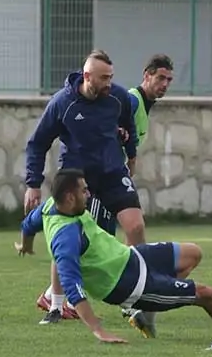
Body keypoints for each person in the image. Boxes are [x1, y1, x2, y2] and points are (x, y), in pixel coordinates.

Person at [16, 168, 212, 343]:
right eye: (83, 191)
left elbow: (28, 224)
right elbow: (72, 286)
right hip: (129, 284)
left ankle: (146, 315)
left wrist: (26, 246)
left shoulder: (52, 206)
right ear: (70, 197)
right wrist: (98, 330)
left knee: (192, 253)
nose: (89, 194)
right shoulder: (66, 237)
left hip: (132, 257)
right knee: (205, 294)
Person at [35, 55, 175, 325]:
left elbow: (124, 130)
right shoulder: (129, 99)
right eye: (160, 78)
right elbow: (44, 140)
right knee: (76, 237)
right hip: (90, 177)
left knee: (129, 230)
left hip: (113, 173)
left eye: (169, 80)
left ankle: (137, 296)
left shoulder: (128, 100)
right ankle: (55, 299)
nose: (165, 84)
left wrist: (128, 150)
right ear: (146, 75)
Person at [24, 50, 140, 326]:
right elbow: (37, 143)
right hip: (76, 178)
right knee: (67, 237)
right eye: (104, 78)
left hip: (112, 172)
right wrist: (33, 184)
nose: (109, 83)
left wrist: (131, 155)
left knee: (135, 227)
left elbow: (128, 126)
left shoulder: (119, 97)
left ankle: (136, 300)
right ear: (87, 77)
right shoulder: (63, 103)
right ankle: (56, 306)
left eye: (111, 77)